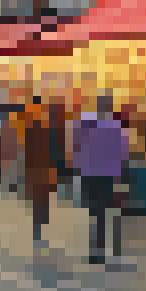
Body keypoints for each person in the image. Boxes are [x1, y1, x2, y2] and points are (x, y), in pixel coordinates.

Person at [72, 94, 128, 264]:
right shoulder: (115, 127)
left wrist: (78, 166)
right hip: (107, 175)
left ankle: (96, 249)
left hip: (90, 173)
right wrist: (120, 175)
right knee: (104, 213)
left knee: (95, 212)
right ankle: (103, 249)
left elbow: (77, 146)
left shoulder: (87, 125)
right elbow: (122, 153)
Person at [22, 94, 65, 250]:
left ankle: (38, 223)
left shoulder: (32, 127)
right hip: (44, 165)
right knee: (43, 194)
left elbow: (28, 150)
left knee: (38, 194)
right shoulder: (47, 127)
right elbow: (55, 148)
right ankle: (40, 220)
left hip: (37, 166)